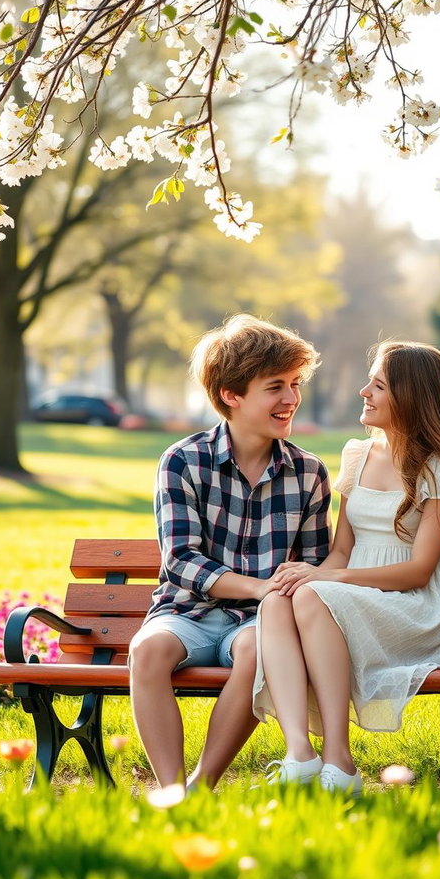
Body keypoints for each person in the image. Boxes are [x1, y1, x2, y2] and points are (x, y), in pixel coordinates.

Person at [252, 340, 440, 794]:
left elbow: (419, 570)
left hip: (414, 607)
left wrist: (324, 578)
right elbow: (342, 550)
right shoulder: (357, 456)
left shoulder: (439, 468)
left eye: (378, 384)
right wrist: (312, 574)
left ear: (411, 397)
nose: (364, 391)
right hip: (352, 594)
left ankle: (339, 762)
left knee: (309, 593)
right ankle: (300, 756)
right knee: (276, 601)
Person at [129, 315, 332, 791]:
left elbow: (314, 565)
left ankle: (201, 786)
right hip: (188, 611)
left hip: (265, 619)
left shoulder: (309, 473)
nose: (291, 399)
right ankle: (171, 790)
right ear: (231, 395)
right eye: (275, 387)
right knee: (148, 649)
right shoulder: (183, 460)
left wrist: (276, 593)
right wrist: (259, 585)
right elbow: (180, 560)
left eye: (295, 384)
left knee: (258, 651)